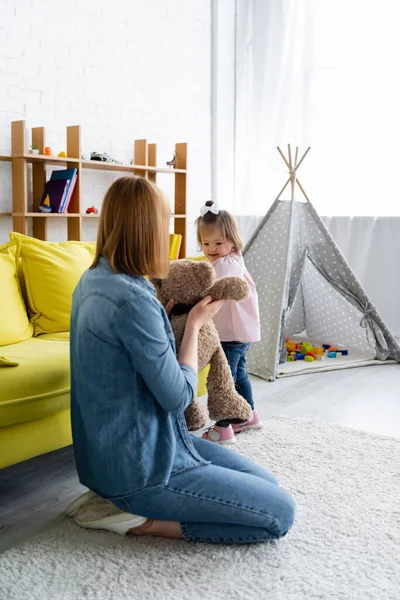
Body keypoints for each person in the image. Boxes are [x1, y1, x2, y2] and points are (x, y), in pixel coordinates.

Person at [66, 176, 295, 544]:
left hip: (131, 453)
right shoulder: (133, 300)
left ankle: (117, 501)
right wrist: (194, 325)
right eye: (165, 222)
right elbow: (178, 396)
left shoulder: (92, 281)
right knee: (279, 512)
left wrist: (163, 317)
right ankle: (140, 520)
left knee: (264, 483)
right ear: (148, 230)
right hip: (142, 471)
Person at [196, 201, 262, 445]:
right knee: (239, 374)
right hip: (241, 331)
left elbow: (210, 289)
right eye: (205, 243)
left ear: (232, 241)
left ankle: (224, 427)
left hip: (232, 333)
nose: (211, 248)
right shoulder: (231, 259)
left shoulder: (225, 265)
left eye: (218, 243)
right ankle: (249, 415)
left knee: (224, 379)